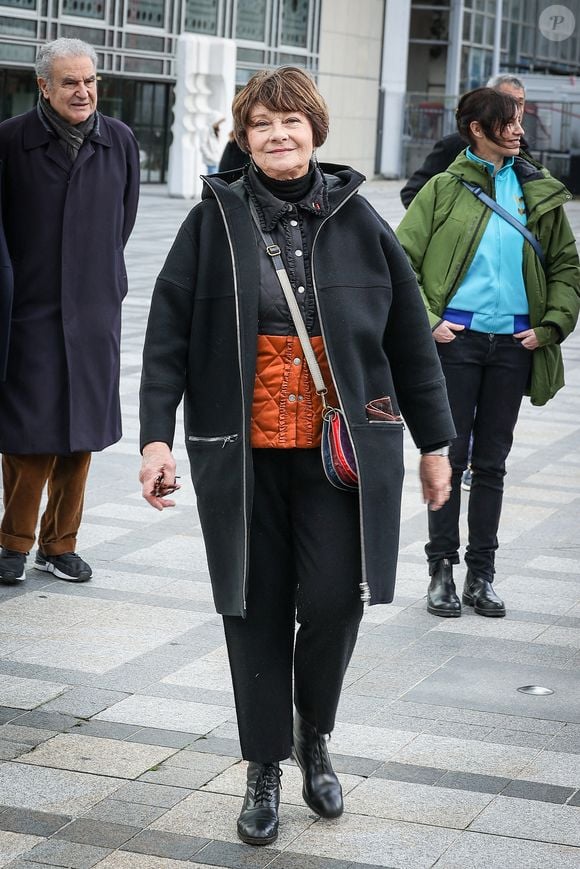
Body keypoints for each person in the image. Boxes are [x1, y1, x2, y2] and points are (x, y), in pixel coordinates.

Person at [139, 66, 455, 846]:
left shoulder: (358, 218)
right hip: (242, 455)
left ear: (315, 128)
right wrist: (154, 438)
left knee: (335, 599)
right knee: (252, 606)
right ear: (243, 138)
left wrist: (436, 445)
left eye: (291, 122)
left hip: (336, 455)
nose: (278, 136)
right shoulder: (213, 218)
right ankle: (263, 766)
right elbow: (167, 335)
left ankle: (314, 733)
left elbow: (410, 341)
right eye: (261, 126)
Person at [396, 87, 580, 620]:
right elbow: (401, 261)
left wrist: (551, 326)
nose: (519, 131)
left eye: (521, 121)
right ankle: (441, 572)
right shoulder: (442, 189)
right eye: (508, 122)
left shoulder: (538, 192)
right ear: (477, 128)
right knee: (448, 458)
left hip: (516, 345)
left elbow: (567, 267)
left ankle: (482, 575)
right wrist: (430, 322)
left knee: (492, 464)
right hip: (457, 345)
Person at [0, 38, 140, 585]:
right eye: (69, 83)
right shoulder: (11, 141)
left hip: (93, 309)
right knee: (29, 432)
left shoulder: (119, 141)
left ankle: (60, 544)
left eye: (90, 81)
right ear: (44, 87)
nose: (83, 92)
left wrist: (101, 280)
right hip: (29, 309)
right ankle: (13, 542)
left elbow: (122, 223)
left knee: (80, 434)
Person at [400, 74, 529, 209]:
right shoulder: (453, 146)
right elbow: (412, 193)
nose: (515, 110)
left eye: (519, 103)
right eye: (505, 102)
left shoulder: (523, 152)